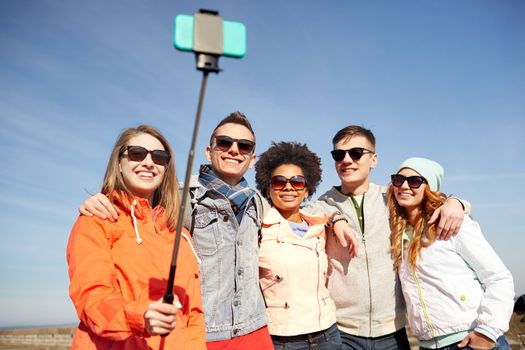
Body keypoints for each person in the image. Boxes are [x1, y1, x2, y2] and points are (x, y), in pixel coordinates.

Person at [79, 112, 275, 349]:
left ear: (252, 158)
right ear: (208, 151)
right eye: (224, 142)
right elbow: (93, 292)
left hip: (254, 328)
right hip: (208, 335)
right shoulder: (180, 199)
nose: (234, 150)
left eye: (244, 146)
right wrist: (97, 201)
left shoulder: (258, 202)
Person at [308, 125, 468, 350]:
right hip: (342, 332)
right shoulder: (321, 205)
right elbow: (304, 214)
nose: (347, 160)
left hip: (392, 332)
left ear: (374, 160)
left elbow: (432, 201)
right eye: (339, 154)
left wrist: (457, 202)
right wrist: (335, 217)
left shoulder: (393, 197)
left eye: (356, 153)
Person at [67, 125, 206, 349]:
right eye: (137, 154)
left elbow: (194, 315)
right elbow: (91, 298)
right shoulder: (95, 221)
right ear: (119, 163)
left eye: (159, 157)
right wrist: (140, 317)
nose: (149, 163)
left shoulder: (180, 234)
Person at [388, 157, 514, 350]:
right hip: (428, 345)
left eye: (414, 181)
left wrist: (487, 332)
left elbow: (498, 278)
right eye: (398, 179)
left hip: (470, 341)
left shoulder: (453, 225)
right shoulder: (398, 233)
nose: (404, 186)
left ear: (429, 187)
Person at [255, 141, 358, 350]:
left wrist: (337, 218)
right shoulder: (257, 228)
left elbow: (328, 210)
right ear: (268, 187)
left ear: (307, 189)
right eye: (279, 181)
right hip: (284, 339)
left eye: (297, 182)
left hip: (328, 333)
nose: (288, 187)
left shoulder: (319, 225)